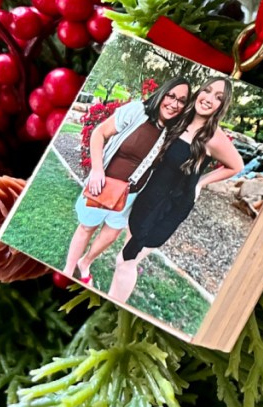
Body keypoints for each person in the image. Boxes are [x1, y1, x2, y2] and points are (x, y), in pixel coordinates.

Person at [108, 76, 244, 303]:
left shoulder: (213, 138)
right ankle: (113, 298)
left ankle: (114, 302)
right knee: (125, 256)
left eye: (218, 97)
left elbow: (236, 166)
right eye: (207, 91)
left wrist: (201, 182)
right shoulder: (181, 119)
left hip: (169, 207)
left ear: (222, 106)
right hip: (149, 196)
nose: (209, 99)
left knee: (126, 260)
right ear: (199, 92)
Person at [62, 77, 192, 285]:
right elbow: (99, 133)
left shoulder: (171, 131)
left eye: (182, 100)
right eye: (171, 96)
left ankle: (84, 263)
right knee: (87, 227)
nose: (174, 104)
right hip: (103, 184)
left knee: (111, 234)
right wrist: (96, 170)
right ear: (162, 94)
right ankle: (68, 270)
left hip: (131, 194)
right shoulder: (136, 111)